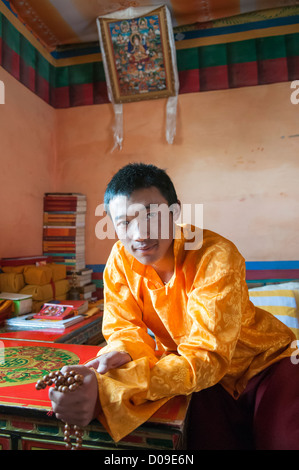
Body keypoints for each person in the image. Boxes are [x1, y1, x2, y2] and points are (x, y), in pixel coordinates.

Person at [49, 163, 299, 449]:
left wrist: (114, 388)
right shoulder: (120, 260)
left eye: (152, 216)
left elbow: (209, 355)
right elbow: (124, 328)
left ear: (175, 212)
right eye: (125, 222)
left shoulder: (215, 256)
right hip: (204, 381)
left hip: (268, 365)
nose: (140, 234)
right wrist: (120, 355)